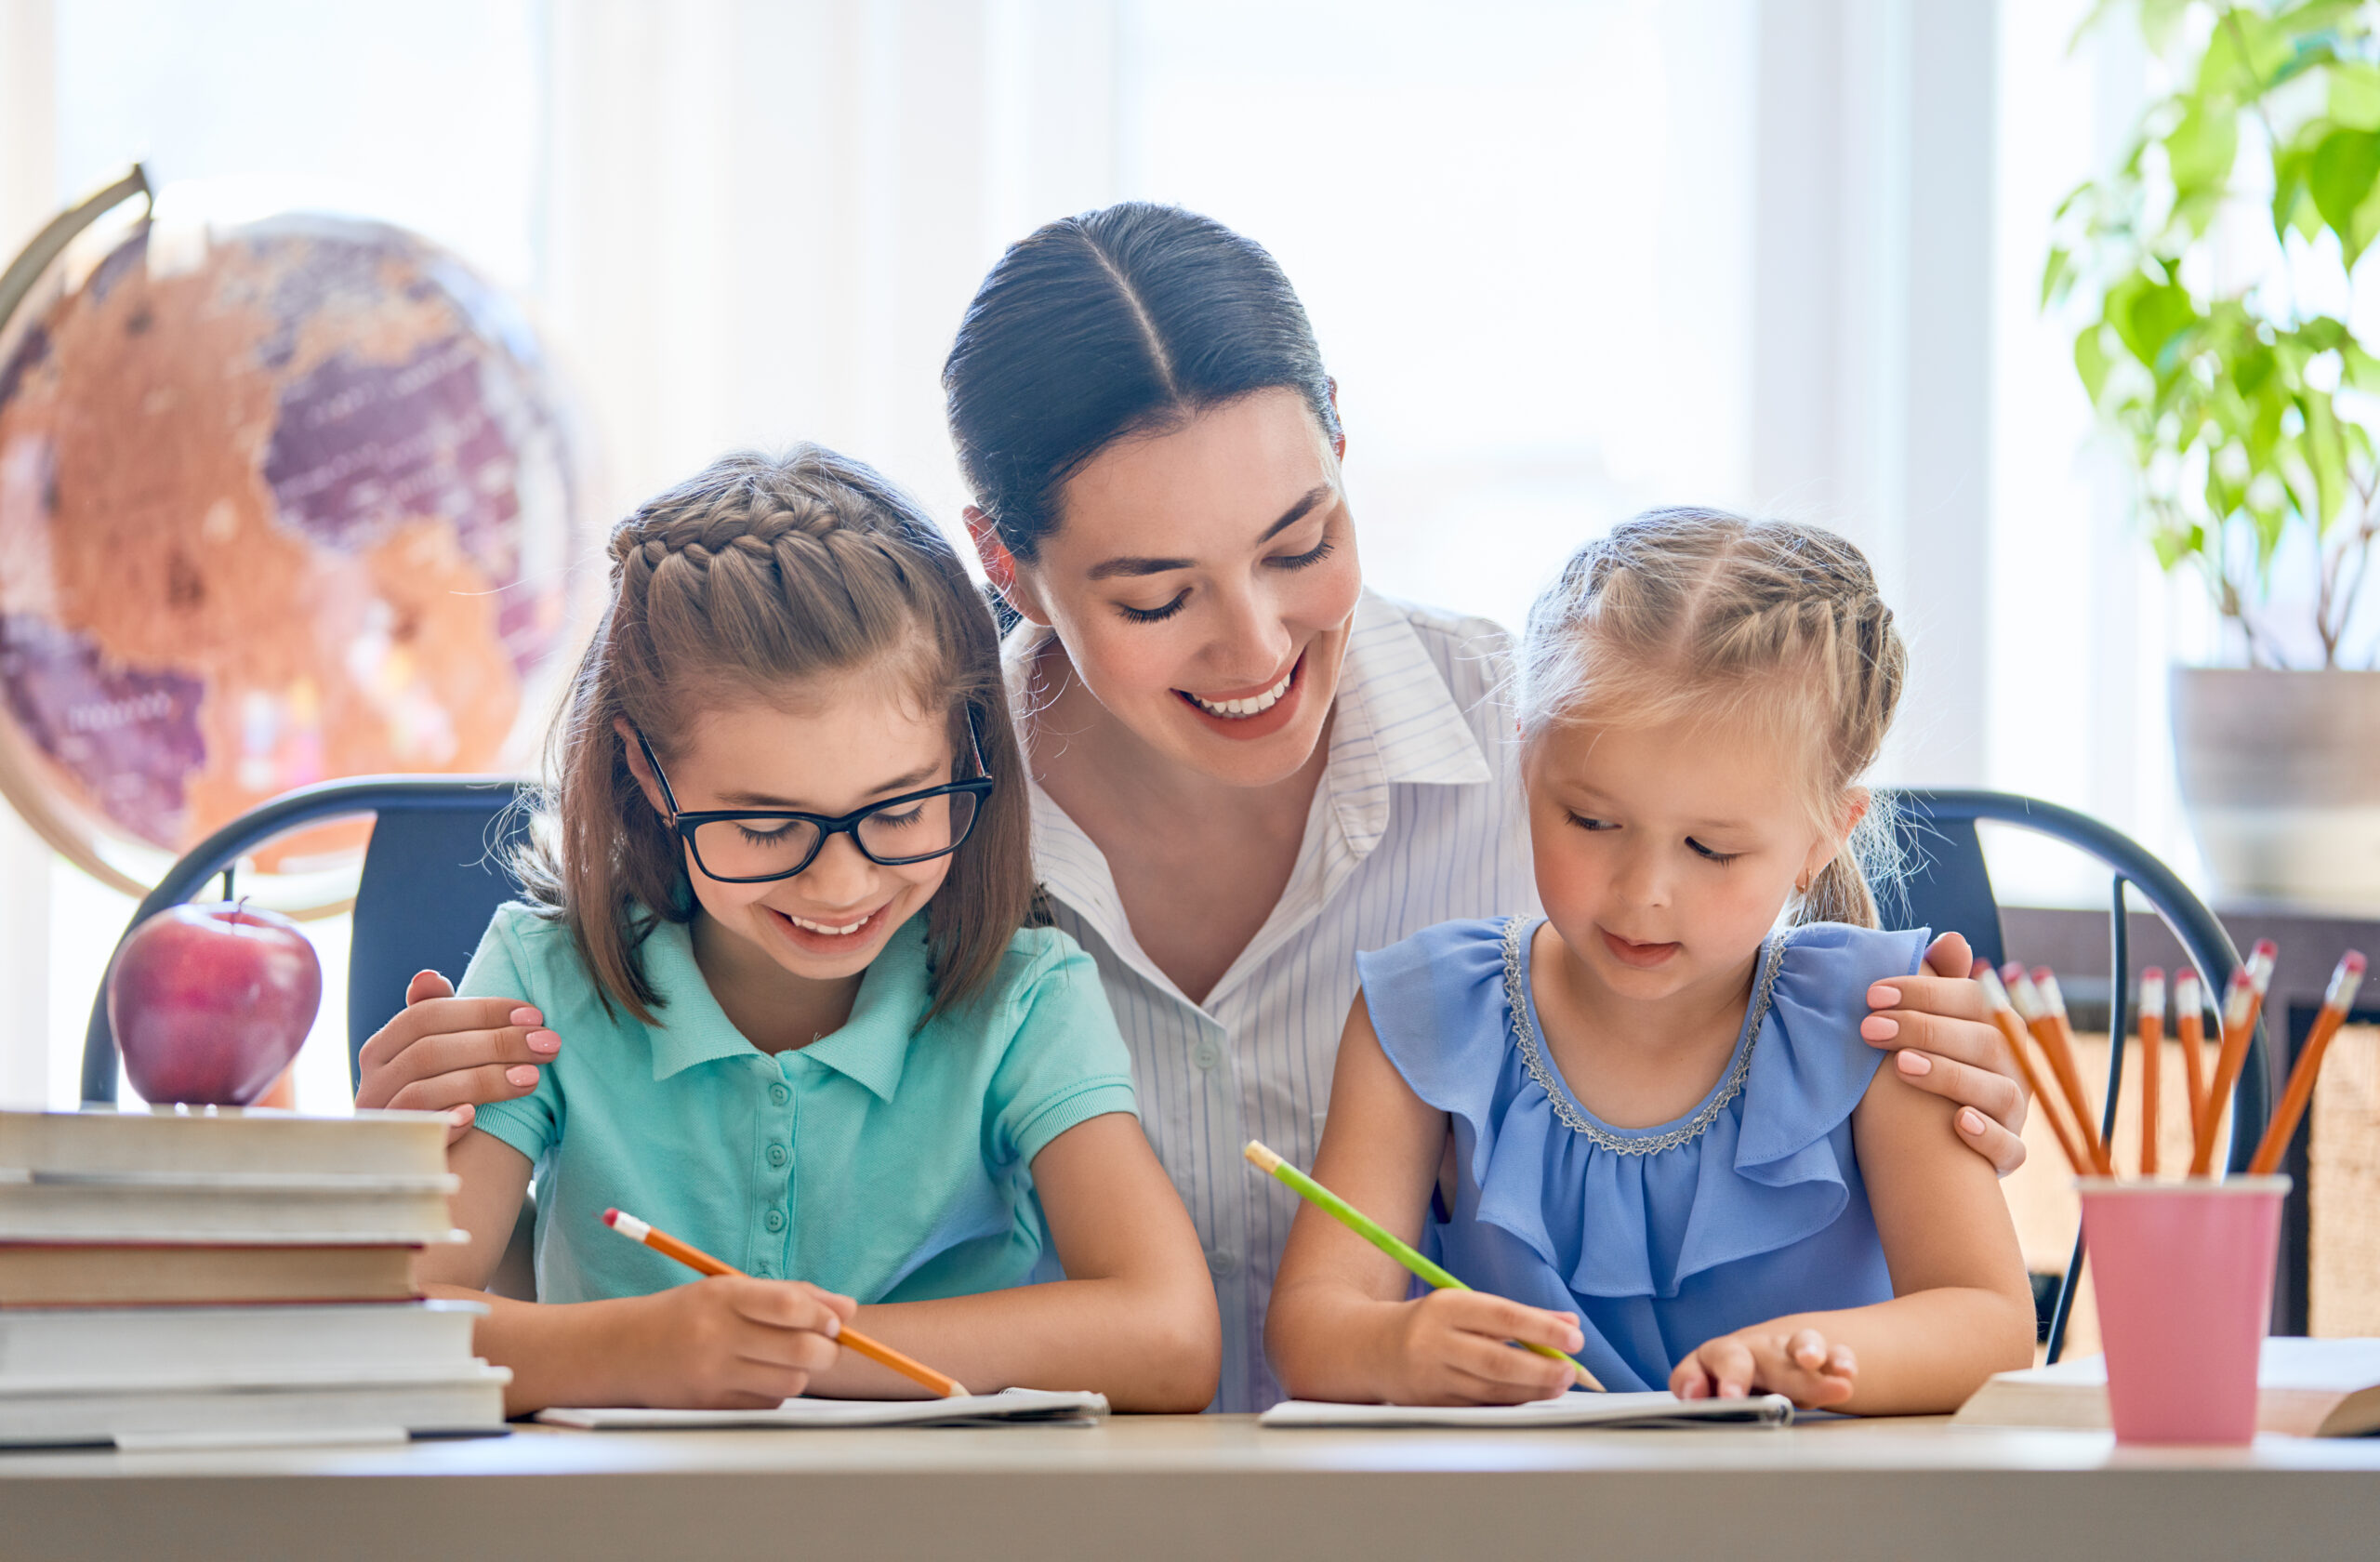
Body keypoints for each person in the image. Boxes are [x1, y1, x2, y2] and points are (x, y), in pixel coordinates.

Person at [363, 205, 2035, 1411]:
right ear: (1006, 568)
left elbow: (1762, 972)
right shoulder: (890, 803)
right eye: (1157, 592)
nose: (1256, 645)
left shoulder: (1550, 748)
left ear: (1344, 455)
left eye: (1301, 542)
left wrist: (1934, 1043)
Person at [400, 448, 1219, 1415]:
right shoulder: (542, 980)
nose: (840, 883)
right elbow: (391, 1331)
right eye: (763, 826)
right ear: (645, 772)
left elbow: (1170, 1338)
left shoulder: (1023, 998)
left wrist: (795, 1355)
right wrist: (638, 1352)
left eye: (900, 812)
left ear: (965, 750)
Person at [1265, 511, 2036, 1410]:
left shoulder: (1877, 1021)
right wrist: (1396, 1346)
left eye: (1711, 849)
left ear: (1825, 836)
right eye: (1591, 821)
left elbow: (1990, 1323)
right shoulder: (1432, 1009)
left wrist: (1803, 1354)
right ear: (1527, 758)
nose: (1643, 893)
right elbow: (1309, 1327)